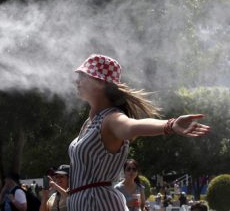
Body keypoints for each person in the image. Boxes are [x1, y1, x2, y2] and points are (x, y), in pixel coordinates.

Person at [67, 54, 211, 211]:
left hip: (99, 203)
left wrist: (170, 124)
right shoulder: (91, 122)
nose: (77, 80)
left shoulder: (111, 118)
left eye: (83, 76)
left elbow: (131, 127)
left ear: (100, 82)